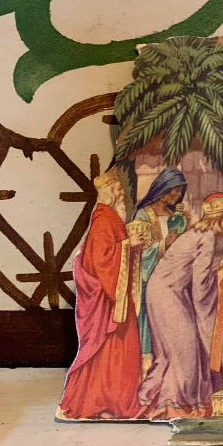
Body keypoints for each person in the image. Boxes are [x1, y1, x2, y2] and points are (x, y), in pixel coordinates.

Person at [137, 193, 223, 418]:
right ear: (218, 217)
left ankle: (147, 396)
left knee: (171, 354)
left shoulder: (199, 232)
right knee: (185, 352)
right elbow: (200, 286)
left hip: (165, 292)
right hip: (167, 295)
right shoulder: (207, 237)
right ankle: (172, 405)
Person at [59, 168, 145, 419]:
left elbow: (111, 251)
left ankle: (114, 402)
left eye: (121, 190)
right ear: (108, 194)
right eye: (117, 190)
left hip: (117, 298)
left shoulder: (110, 218)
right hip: (107, 304)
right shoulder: (103, 220)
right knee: (109, 353)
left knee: (121, 353)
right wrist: (129, 245)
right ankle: (98, 403)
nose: (121, 194)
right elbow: (99, 261)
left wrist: (130, 244)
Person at [132, 167, 189, 377]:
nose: (178, 195)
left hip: (173, 280)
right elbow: (140, 252)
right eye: (175, 190)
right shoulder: (143, 215)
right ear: (164, 189)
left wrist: (187, 232)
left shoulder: (176, 216)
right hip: (150, 280)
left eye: (180, 191)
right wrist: (165, 244)